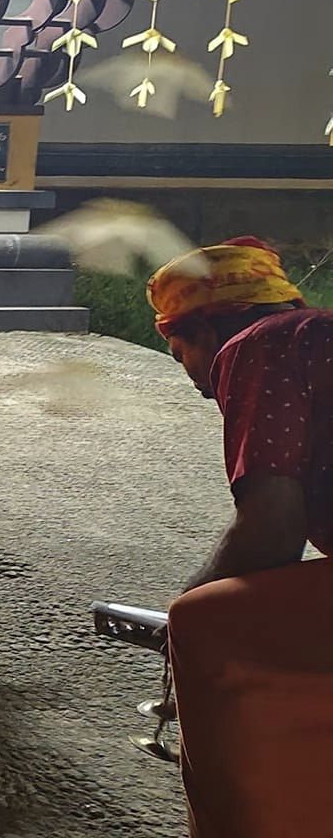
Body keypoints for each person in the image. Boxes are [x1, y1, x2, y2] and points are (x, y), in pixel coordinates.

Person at [149, 237, 332, 838]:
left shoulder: (258, 347)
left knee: (203, 621)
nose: (198, 384)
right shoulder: (316, 334)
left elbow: (271, 533)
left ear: (208, 330)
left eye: (180, 354)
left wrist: (179, 613)